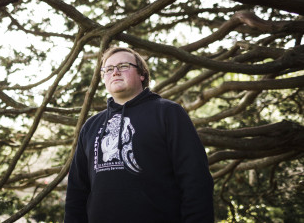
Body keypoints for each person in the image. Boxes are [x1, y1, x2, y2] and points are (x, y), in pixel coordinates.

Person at [64, 46, 214, 223]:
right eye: (109, 69)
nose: (115, 72)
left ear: (142, 74)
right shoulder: (91, 126)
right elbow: (77, 192)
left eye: (123, 66)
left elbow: (195, 180)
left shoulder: (168, 113)